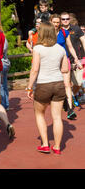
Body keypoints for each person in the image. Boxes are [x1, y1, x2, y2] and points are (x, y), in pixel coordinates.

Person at [27, 22, 70, 154]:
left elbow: (34, 70)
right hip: (58, 83)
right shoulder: (61, 49)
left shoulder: (38, 49)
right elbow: (64, 69)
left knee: (39, 113)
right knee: (57, 117)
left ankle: (45, 144)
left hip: (43, 84)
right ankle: (57, 147)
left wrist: (29, 87)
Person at [67, 13, 85, 106]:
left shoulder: (76, 29)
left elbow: (83, 40)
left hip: (76, 59)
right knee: (65, 83)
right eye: (64, 19)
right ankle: (67, 100)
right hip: (64, 59)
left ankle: (73, 95)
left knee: (78, 82)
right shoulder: (59, 30)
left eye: (67, 19)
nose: (66, 21)